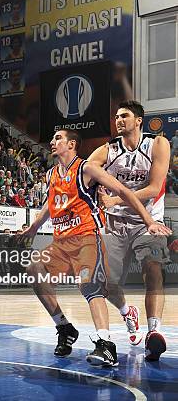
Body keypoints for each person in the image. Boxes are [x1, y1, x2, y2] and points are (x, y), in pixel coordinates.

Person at [22, 129, 170, 367]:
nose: (51, 141)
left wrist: (150, 221)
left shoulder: (87, 168)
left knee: (90, 284)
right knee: (34, 270)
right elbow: (50, 205)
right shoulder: (51, 174)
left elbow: (123, 191)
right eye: (51, 138)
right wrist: (33, 227)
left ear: (72, 144)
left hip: (87, 238)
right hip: (61, 242)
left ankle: (106, 344)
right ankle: (65, 327)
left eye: (58, 138)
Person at [88, 100, 172, 361]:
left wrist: (114, 199)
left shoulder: (158, 144)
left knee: (153, 267)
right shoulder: (107, 150)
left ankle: (154, 332)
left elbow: (155, 186)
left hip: (149, 221)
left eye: (124, 116)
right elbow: (84, 172)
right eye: (116, 117)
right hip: (114, 224)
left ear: (138, 120)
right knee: (106, 284)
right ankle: (127, 312)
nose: (118, 120)